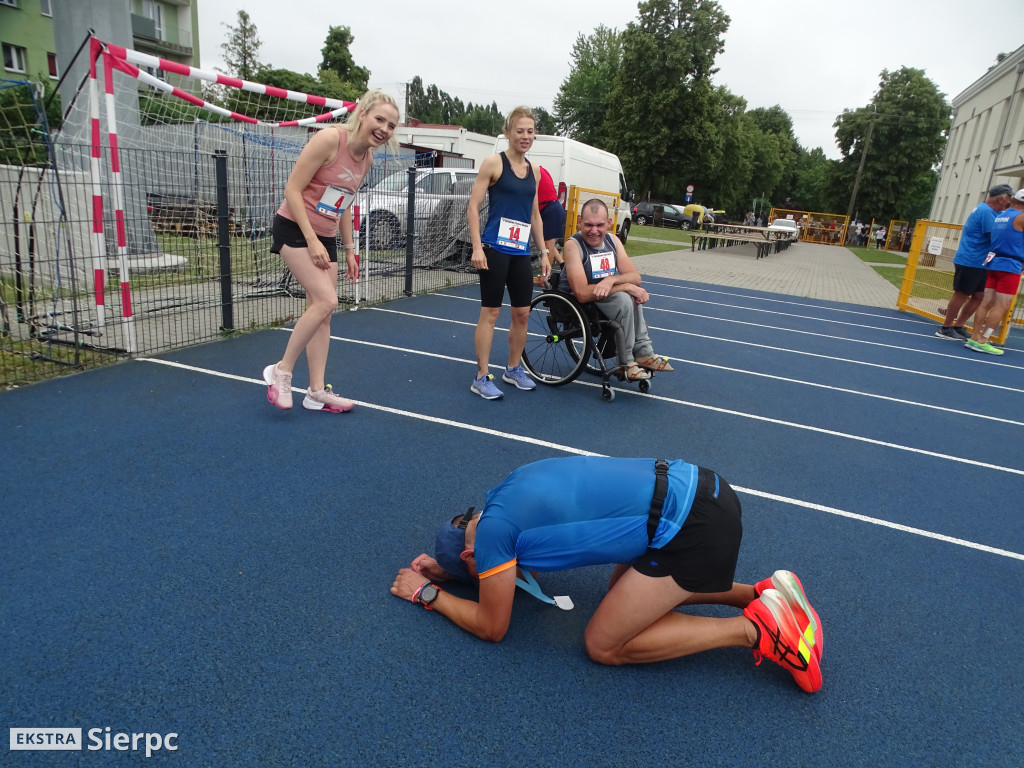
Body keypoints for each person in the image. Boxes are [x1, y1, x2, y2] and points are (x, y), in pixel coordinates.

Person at [390, 456, 824, 693]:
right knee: (620, 592)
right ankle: (761, 593)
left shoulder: (491, 542)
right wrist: (450, 568)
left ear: (472, 554)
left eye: (480, 572)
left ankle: (757, 630)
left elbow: (492, 626)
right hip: (700, 486)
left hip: (693, 530)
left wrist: (428, 593)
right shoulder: (507, 489)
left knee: (603, 644)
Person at [261, 89, 399, 413]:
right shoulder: (329, 140)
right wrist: (310, 240)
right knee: (327, 300)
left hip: (325, 237)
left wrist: (349, 249)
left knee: (323, 314)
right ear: (363, 114)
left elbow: (345, 204)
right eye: (380, 119)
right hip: (294, 228)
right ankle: (280, 371)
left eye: (391, 125)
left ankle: (315, 392)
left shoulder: (367, 159)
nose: (384, 128)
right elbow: (292, 189)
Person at [466, 106, 551, 400]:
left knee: (522, 313)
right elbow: (473, 207)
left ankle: (513, 369)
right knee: (490, 312)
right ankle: (481, 375)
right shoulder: (493, 163)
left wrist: (544, 252)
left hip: (520, 252)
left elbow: (535, 216)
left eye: (530, 131)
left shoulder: (535, 171)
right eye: (520, 131)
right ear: (508, 133)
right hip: (493, 249)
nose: (525, 136)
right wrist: (477, 247)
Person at [558, 198, 672, 380]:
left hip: (605, 295)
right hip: (579, 299)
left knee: (632, 293)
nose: (594, 231)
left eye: (599, 225)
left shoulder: (613, 240)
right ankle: (625, 363)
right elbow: (581, 293)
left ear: (609, 223)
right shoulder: (574, 245)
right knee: (625, 297)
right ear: (579, 222)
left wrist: (612, 280)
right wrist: (625, 285)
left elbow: (636, 278)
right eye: (588, 225)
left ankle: (643, 353)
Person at [935, 184, 1013, 340]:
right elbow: (995, 237)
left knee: (979, 295)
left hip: (980, 261)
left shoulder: (987, 210)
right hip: (971, 260)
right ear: (1000, 199)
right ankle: (946, 327)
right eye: (1008, 201)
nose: (1008, 205)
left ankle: (958, 325)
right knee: (962, 293)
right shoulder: (986, 212)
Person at [965, 188, 1024, 356]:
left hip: (993, 262)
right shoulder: (1021, 217)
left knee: (986, 302)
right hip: (1010, 264)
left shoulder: (1001, 216)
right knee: (1002, 304)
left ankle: (975, 337)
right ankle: (984, 340)